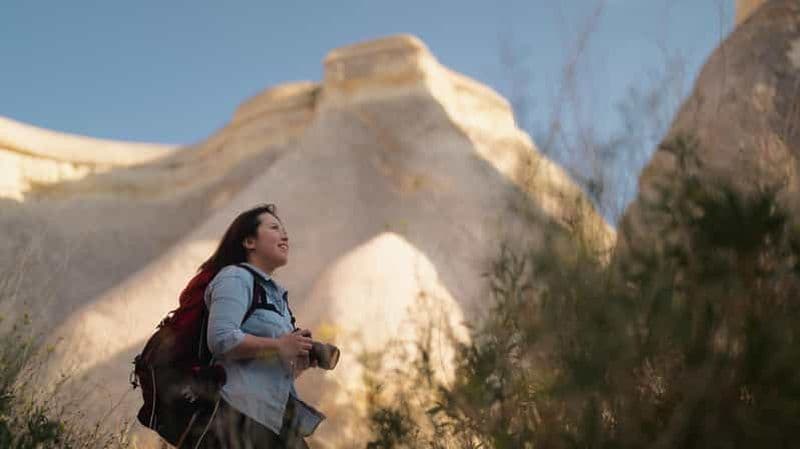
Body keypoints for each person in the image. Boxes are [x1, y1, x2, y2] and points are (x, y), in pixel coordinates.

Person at [191, 203, 322, 449]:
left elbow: (262, 368)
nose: (285, 235)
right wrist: (280, 345)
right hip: (240, 416)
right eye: (274, 228)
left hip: (274, 416)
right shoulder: (234, 277)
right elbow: (221, 339)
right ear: (249, 242)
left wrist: (296, 362)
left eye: (284, 229)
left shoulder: (273, 295)